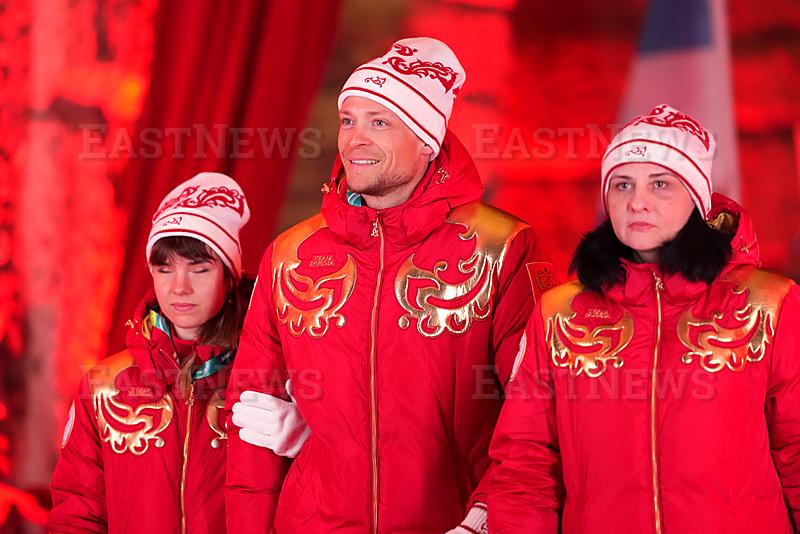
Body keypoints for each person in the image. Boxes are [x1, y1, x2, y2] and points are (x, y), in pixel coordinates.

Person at [225, 37, 554, 533]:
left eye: (380, 122)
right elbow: (250, 422)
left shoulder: (503, 247)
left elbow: (534, 411)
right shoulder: (292, 255)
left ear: (428, 139)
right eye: (349, 120)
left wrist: (488, 520)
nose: (355, 139)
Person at [487, 104, 800, 533]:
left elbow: (796, 448)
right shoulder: (560, 314)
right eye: (621, 185)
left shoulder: (770, 303)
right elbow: (526, 463)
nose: (637, 201)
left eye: (660, 184)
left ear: (698, 199)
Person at [49, 172, 255, 533]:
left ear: (229, 276)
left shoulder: (265, 377)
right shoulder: (104, 386)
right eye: (164, 269)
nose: (180, 287)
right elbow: (78, 511)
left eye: (200, 269)